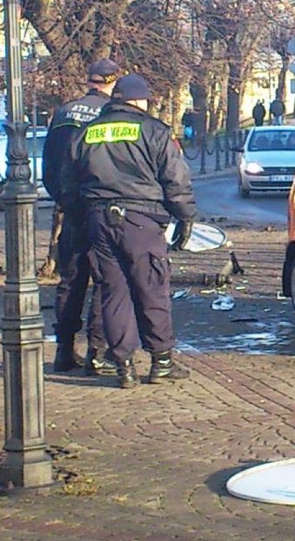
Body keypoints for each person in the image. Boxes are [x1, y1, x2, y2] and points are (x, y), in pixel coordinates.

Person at [61, 74, 197, 389]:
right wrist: (185, 217)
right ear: (139, 101)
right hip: (142, 220)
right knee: (151, 287)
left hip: (98, 219)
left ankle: (124, 366)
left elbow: (68, 182)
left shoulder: (86, 133)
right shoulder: (154, 131)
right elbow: (176, 180)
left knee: (113, 292)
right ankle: (161, 362)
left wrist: (80, 217)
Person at [42, 58, 119, 376]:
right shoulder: (110, 115)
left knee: (71, 280)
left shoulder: (62, 113)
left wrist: (63, 199)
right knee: (105, 280)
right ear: (112, 83)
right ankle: (96, 353)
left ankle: (63, 351)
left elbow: (48, 165)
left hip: (71, 209)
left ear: (89, 81)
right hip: (101, 208)